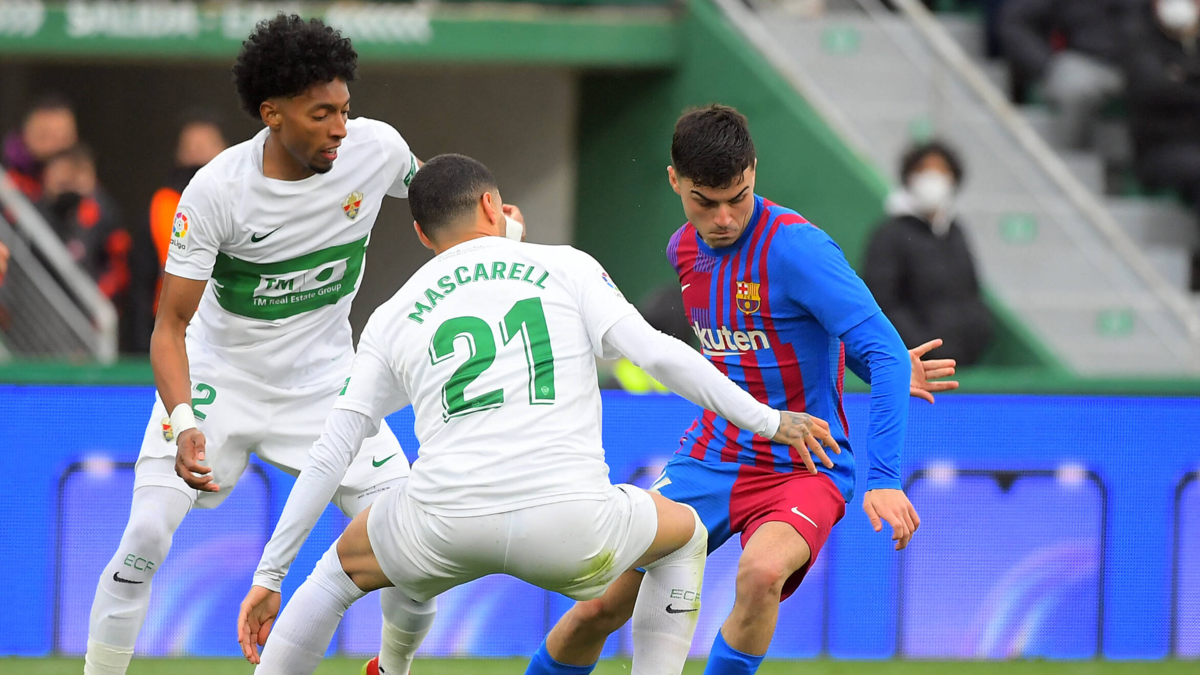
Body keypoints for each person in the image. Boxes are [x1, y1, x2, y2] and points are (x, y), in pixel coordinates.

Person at [236, 153, 840, 675]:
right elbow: (659, 354)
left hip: (443, 526)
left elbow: (333, 449)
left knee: (334, 575)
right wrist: (768, 420)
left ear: (421, 234)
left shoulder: (393, 314)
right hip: (570, 529)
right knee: (683, 537)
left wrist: (270, 576)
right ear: (493, 205)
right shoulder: (567, 266)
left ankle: (388, 667)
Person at [523, 105, 957, 675]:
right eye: (705, 202)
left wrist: (884, 477)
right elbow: (776, 335)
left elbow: (882, 350)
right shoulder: (684, 249)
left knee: (761, 574)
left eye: (738, 197)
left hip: (805, 465)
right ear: (675, 181)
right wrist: (879, 366)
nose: (724, 218)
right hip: (711, 459)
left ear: (753, 171)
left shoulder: (799, 249)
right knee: (600, 604)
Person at [83, 15, 443, 675]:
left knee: (415, 552)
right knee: (144, 538)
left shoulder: (377, 150)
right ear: (272, 114)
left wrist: (496, 228)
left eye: (344, 109)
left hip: (328, 386)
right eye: (320, 114)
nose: (340, 128)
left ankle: (391, 668)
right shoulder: (216, 191)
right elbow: (170, 327)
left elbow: (443, 204)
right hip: (220, 382)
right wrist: (184, 420)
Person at [864, 141, 993, 366]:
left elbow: (971, 291)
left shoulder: (955, 231)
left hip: (964, 362)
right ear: (909, 177)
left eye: (942, 170)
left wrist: (977, 334)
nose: (933, 178)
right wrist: (926, 348)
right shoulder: (890, 234)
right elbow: (883, 301)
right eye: (924, 170)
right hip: (918, 364)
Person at [128, 111, 230, 351]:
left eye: (205, 146)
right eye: (190, 147)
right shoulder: (161, 205)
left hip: (228, 328)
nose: (198, 154)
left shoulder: (242, 201)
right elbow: (141, 281)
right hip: (175, 329)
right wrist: (142, 344)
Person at [1124, 0, 1200, 290]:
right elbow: (1154, 89)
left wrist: (1182, 77)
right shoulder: (1140, 39)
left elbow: (1173, 89)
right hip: (1159, 151)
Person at [998, 0, 1136, 148]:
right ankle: (1066, 157)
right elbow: (1015, 22)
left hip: (1140, 63)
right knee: (1074, 87)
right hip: (1083, 61)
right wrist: (1048, 65)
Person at [37, 144, 131, 302]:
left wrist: (99, 297)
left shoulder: (104, 212)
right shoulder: (43, 210)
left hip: (89, 303)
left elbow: (119, 264)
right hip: (48, 300)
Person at [2, 94, 78, 202]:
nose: (56, 146)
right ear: (25, 135)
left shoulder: (84, 184)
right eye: (45, 136)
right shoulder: (6, 180)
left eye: (64, 137)